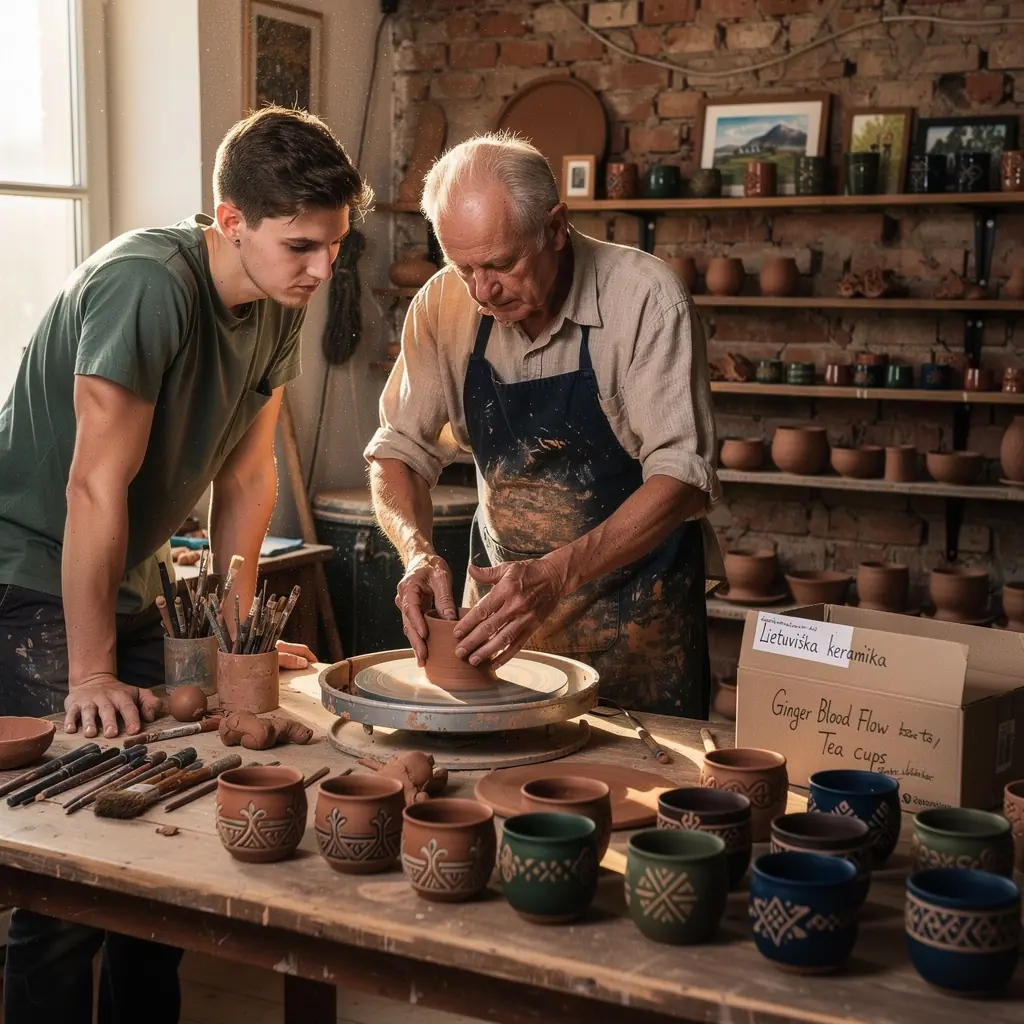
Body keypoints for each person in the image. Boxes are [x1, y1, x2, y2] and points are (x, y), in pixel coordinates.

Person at [0, 105, 371, 1024]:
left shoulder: (277, 304)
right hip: (30, 572)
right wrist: (88, 671)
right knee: (73, 853)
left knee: (160, 860)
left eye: (334, 246)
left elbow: (248, 482)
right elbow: (93, 488)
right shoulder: (146, 285)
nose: (323, 270)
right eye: (302, 246)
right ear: (230, 221)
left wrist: (237, 644)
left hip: (125, 576)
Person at [366, 133, 722, 719]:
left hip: (639, 621)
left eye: (502, 264)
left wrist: (557, 576)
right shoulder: (441, 307)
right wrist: (415, 553)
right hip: (502, 625)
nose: (483, 291)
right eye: (463, 268)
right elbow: (397, 452)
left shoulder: (646, 300)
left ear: (556, 228)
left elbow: (681, 477)